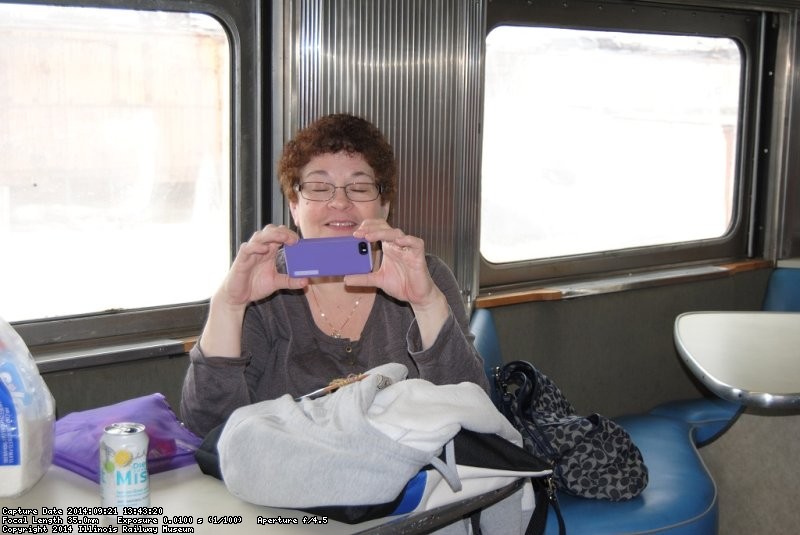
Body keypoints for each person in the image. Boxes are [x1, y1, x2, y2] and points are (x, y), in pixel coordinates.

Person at [180, 113, 489, 437]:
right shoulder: (264, 288)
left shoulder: (425, 275)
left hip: (415, 481)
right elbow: (208, 428)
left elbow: (474, 412)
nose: (340, 201)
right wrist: (229, 305)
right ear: (294, 205)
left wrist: (426, 304)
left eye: (358, 187)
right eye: (318, 187)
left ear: (384, 205)